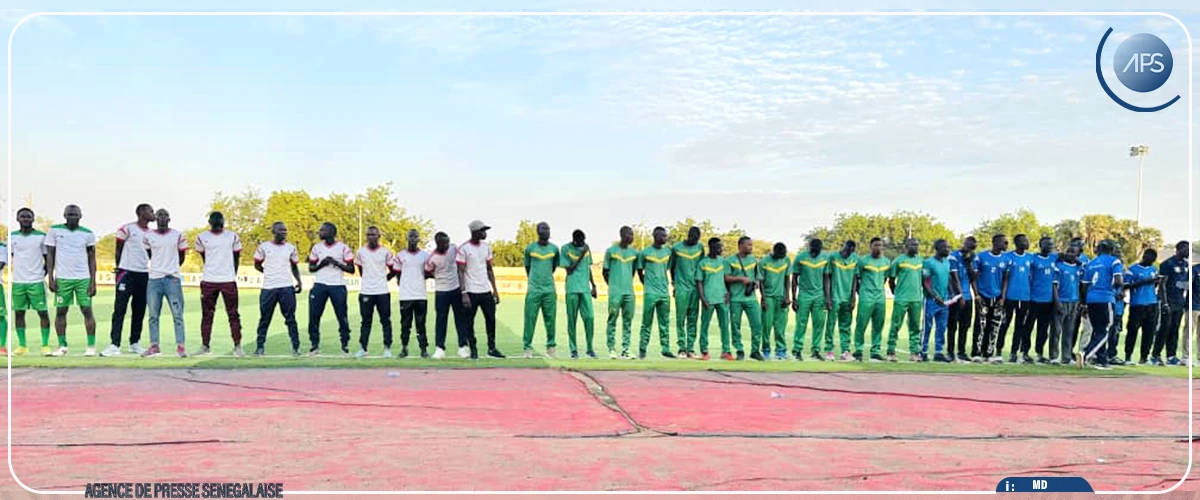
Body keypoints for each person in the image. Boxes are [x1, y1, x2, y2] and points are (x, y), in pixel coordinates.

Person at [45, 205, 98, 357]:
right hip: (63, 278)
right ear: (64, 215)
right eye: (69, 214)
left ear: (81, 216)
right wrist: (51, 276)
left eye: (75, 214)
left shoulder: (87, 234)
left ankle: (91, 346)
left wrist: (93, 281)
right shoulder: (54, 230)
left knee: (87, 310)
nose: (72, 217)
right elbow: (50, 255)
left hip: (83, 278)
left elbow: (92, 257)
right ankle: (62, 345)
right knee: (61, 311)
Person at [190, 211, 244, 357]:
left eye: (219, 223)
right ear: (210, 223)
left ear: (223, 222)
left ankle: (238, 346)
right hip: (209, 280)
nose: (217, 226)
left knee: (233, 314)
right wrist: (212, 268)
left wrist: (232, 273)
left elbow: (236, 256)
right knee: (207, 314)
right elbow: (204, 256)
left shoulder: (232, 236)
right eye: (214, 223)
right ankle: (205, 345)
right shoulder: (202, 237)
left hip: (228, 280)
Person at [139, 209, 188, 358]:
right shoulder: (148, 236)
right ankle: (154, 345)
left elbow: (181, 256)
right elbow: (150, 255)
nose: (161, 218)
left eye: (164, 215)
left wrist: (172, 269)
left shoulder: (177, 235)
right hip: (154, 279)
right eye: (159, 215)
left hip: (172, 279)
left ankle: (180, 346)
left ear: (169, 218)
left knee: (177, 314)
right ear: (155, 218)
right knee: (153, 315)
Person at [109, 203, 154, 355]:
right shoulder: (127, 229)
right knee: (120, 309)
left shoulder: (152, 233)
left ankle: (134, 342)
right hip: (126, 273)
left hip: (143, 274)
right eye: (150, 211)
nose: (153, 214)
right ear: (141, 212)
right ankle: (114, 344)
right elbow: (118, 249)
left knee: (139, 310)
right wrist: (119, 267)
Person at [253, 222, 303, 356]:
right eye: (281, 230)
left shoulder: (291, 248)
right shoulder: (264, 247)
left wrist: (299, 281)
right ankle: (260, 347)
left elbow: (294, 267)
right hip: (268, 288)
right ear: (273, 231)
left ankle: (296, 347)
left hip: (286, 287)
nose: (284, 232)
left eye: (285, 230)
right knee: (265, 318)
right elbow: (257, 265)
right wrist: (267, 272)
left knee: (290, 319)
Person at [458, 220, 505, 359]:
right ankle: (473, 349)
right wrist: (463, 292)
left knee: (491, 320)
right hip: (471, 292)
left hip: (485, 291)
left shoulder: (486, 247)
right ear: (474, 232)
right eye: (482, 230)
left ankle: (492, 348)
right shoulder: (464, 249)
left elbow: (489, 269)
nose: (485, 233)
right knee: (469, 322)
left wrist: (495, 291)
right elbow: (460, 272)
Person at [307, 222, 355, 356]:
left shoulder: (343, 248)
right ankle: (314, 345)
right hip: (320, 285)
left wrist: (336, 262)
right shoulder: (316, 248)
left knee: (342, 316)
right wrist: (322, 264)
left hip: (337, 285)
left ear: (332, 232)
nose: (320, 232)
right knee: (314, 317)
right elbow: (311, 268)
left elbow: (351, 269)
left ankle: (345, 345)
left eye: (323, 230)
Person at [9, 208, 52, 356]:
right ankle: (22, 346)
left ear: (33, 219)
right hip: (18, 282)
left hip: (36, 282)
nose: (25, 219)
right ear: (17, 219)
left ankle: (45, 345)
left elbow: (48, 259)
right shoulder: (12, 236)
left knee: (43, 313)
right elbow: (12, 256)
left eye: (28, 216)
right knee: (19, 313)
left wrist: (43, 273)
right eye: (22, 216)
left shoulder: (41, 236)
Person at [1080, 240, 1124, 369]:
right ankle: (1085, 353)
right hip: (1105, 298)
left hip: (1091, 299)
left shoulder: (1091, 263)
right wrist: (1116, 291)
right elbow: (1118, 280)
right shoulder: (1114, 261)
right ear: (1112, 249)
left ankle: (1101, 359)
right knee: (1106, 330)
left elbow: (1084, 285)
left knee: (1097, 330)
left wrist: (1084, 303)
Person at [356, 226, 395, 358]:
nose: (370, 237)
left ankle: (387, 348)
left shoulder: (386, 252)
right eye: (368, 235)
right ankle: (363, 348)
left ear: (379, 236)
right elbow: (360, 270)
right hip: (366, 291)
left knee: (385, 320)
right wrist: (369, 279)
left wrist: (384, 279)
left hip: (382, 292)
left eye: (373, 235)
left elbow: (393, 269)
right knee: (366, 321)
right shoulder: (361, 252)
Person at [425, 232, 465, 359]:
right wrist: (437, 276)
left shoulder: (454, 248)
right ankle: (439, 348)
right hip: (441, 291)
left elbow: (461, 262)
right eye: (444, 243)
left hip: (456, 289)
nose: (447, 245)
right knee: (441, 320)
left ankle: (463, 347)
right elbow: (427, 272)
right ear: (438, 243)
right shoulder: (432, 257)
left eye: (448, 242)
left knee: (460, 318)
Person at [522, 222, 559, 358]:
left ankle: (551, 347)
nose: (547, 231)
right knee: (530, 318)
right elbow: (527, 267)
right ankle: (527, 347)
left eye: (548, 229)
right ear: (537, 231)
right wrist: (533, 281)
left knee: (550, 319)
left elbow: (554, 267)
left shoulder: (554, 249)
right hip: (534, 289)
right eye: (544, 229)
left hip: (549, 289)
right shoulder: (530, 249)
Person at [791, 238, 831, 361]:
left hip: (819, 295)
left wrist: (827, 298)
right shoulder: (800, 257)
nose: (815, 253)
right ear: (809, 247)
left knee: (819, 323)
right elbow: (794, 278)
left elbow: (826, 278)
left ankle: (816, 350)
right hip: (804, 294)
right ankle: (797, 350)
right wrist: (794, 297)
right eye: (813, 250)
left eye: (817, 250)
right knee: (801, 323)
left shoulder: (825, 258)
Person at [637, 227, 674, 359]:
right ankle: (642, 348)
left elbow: (669, 269)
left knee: (664, 322)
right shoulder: (645, 252)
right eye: (663, 236)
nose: (665, 238)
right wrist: (646, 284)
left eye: (665, 236)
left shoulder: (668, 252)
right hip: (650, 293)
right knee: (646, 321)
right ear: (655, 236)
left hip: (664, 292)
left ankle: (665, 348)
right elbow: (639, 270)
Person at [561, 230, 598, 359]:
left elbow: (588, 267)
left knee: (590, 318)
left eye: (584, 242)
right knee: (572, 320)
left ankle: (590, 348)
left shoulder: (586, 248)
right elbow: (569, 270)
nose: (582, 244)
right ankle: (573, 349)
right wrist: (581, 254)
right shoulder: (565, 249)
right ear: (574, 241)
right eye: (580, 243)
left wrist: (593, 285)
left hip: (585, 289)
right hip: (572, 288)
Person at [393, 229, 430, 358]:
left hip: (420, 295)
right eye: (410, 237)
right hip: (405, 295)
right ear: (407, 238)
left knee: (421, 324)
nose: (413, 239)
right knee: (405, 324)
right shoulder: (400, 255)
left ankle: (424, 349)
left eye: (415, 237)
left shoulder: (425, 255)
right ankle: (404, 348)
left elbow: (428, 273)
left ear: (418, 239)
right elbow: (397, 272)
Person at [603, 226, 638, 359]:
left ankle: (626, 349)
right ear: (622, 235)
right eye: (630, 234)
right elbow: (605, 271)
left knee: (627, 321)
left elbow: (633, 271)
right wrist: (613, 285)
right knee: (612, 319)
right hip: (615, 292)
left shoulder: (634, 253)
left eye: (632, 235)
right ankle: (611, 349)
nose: (632, 237)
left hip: (629, 292)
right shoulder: (611, 251)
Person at [921, 239, 958, 362]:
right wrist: (935, 297)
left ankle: (938, 352)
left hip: (945, 301)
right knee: (927, 326)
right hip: (931, 301)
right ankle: (923, 351)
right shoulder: (928, 262)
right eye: (945, 247)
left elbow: (947, 279)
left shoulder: (947, 262)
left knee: (942, 327)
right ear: (937, 248)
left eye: (949, 247)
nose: (948, 249)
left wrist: (952, 294)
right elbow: (925, 282)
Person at [853, 238, 890, 362]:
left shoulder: (886, 261)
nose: (878, 247)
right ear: (870, 246)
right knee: (861, 324)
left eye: (880, 245)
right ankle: (858, 350)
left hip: (880, 297)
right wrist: (860, 292)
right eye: (876, 245)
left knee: (878, 325)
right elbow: (856, 278)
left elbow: (885, 278)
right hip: (866, 297)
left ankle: (875, 351)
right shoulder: (863, 261)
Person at [975, 234, 1010, 363]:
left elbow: (1006, 279)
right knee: (981, 325)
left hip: (998, 297)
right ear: (995, 242)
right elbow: (975, 277)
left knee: (994, 326)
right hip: (983, 295)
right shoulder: (981, 256)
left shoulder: (1006, 259)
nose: (1006, 244)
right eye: (1004, 242)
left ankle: (989, 353)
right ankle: (976, 352)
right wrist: (977, 294)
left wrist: (1003, 297)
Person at [887, 238, 924, 362]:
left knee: (915, 326)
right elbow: (891, 280)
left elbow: (924, 279)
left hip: (916, 298)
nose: (916, 247)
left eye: (917, 245)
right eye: (913, 245)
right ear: (906, 246)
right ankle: (891, 351)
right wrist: (896, 293)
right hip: (902, 298)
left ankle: (914, 352)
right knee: (896, 325)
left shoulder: (920, 260)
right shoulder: (898, 261)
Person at [1154, 241, 1190, 366]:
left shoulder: (1186, 264)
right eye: (1187, 249)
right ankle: (1156, 355)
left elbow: (1185, 283)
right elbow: (1162, 284)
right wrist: (1164, 303)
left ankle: (1171, 355)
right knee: (1164, 328)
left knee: (1175, 329)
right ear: (1179, 249)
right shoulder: (1167, 264)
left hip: (1179, 301)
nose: (1189, 252)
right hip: (1168, 301)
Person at [670, 227, 704, 359]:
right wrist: (674, 283)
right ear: (689, 236)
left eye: (697, 239)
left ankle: (691, 348)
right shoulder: (676, 248)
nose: (695, 241)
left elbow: (701, 267)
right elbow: (672, 267)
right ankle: (681, 348)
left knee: (693, 319)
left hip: (695, 288)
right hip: (681, 287)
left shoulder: (700, 248)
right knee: (680, 318)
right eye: (693, 238)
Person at [1123, 248, 1161, 366]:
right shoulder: (1132, 269)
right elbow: (1126, 285)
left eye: (1154, 260)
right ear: (1144, 256)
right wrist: (1144, 282)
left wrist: (1156, 281)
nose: (1151, 261)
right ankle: (1128, 356)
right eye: (1150, 259)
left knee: (1149, 332)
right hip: (1137, 304)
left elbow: (1155, 284)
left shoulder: (1153, 269)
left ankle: (1144, 357)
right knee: (1132, 331)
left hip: (1152, 303)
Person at [727, 236, 762, 361]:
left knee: (757, 324)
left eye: (751, 245)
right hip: (736, 298)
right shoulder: (730, 260)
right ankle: (739, 349)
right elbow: (726, 277)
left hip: (751, 298)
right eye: (748, 245)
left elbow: (758, 276)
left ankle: (755, 350)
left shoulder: (754, 260)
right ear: (740, 245)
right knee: (736, 325)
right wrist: (741, 279)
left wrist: (757, 282)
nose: (751, 247)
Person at [1001, 234, 1035, 364]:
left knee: (1020, 327)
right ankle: (998, 351)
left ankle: (1014, 352)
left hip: (1025, 297)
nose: (1027, 242)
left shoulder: (1030, 258)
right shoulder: (1008, 257)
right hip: (1010, 297)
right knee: (1005, 324)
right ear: (1017, 243)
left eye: (1027, 239)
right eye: (1024, 240)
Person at [695, 237, 728, 361]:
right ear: (711, 247)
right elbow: (699, 282)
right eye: (718, 247)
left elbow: (726, 278)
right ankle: (704, 351)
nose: (720, 249)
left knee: (724, 325)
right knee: (705, 325)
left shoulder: (723, 261)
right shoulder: (703, 263)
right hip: (708, 298)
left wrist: (728, 292)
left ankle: (726, 351)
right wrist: (702, 298)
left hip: (722, 298)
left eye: (721, 246)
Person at [825, 241, 858, 362]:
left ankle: (845, 351)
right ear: (842, 247)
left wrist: (853, 296)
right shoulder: (833, 257)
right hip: (835, 296)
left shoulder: (855, 259)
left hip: (847, 297)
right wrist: (827, 297)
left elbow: (855, 278)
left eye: (850, 252)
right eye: (846, 250)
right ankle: (829, 350)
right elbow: (827, 277)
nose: (847, 253)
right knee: (831, 324)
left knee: (846, 325)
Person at [759, 242, 792, 360]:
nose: (782, 256)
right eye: (780, 254)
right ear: (774, 251)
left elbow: (787, 279)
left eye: (784, 254)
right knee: (766, 325)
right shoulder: (764, 261)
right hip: (768, 297)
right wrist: (763, 298)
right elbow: (761, 281)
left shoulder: (786, 261)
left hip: (781, 297)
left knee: (780, 326)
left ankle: (781, 350)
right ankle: (766, 350)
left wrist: (787, 296)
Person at [947, 237, 977, 363]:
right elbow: (954, 278)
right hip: (956, 296)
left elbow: (973, 277)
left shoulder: (972, 258)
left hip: (968, 296)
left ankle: (962, 351)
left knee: (965, 326)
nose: (969, 249)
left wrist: (969, 263)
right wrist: (960, 295)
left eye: (972, 247)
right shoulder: (953, 257)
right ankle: (950, 352)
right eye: (967, 246)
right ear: (963, 244)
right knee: (952, 325)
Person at [1030, 237, 1059, 364]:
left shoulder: (1054, 258)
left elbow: (1070, 257)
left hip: (1048, 300)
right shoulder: (1033, 259)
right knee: (1028, 327)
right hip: (1033, 299)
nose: (1050, 246)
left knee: (1043, 329)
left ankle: (1039, 353)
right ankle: (1024, 352)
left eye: (1051, 244)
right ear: (1040, 245)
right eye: (1047, 244)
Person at [1053, 247, 1084, 365]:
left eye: (1073, 253)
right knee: (1056, 330)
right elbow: (1054, 285)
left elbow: (1081, 285)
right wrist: (1057, 302)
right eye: (1068, 251)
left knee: (1069, 331)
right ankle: (1054, 356)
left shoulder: (1079, 268)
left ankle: (1066, 357)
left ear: (1077, 255)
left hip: (1074, 301)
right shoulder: (1059, 266)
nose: (1070, 254)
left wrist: (1080, 302)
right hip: (1062, 300)